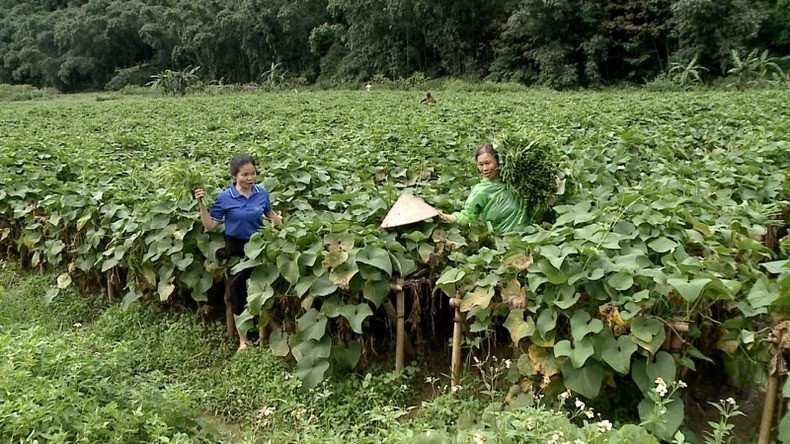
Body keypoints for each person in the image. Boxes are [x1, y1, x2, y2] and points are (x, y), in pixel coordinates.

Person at [194, 153, 282, 350]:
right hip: (236, 248)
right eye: (245, 175)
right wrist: (201, 204)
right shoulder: (225, 198)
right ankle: (243, 340)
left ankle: (265, 330)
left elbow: (271, 215)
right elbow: (210, 226)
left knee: (262, 289)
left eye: (253, 174)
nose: (250, 178)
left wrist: (284, 228)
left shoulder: (261, 193)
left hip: (260, 246)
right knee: (237, 292)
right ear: (234, 176)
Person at [437, 144, 540, 308]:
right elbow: (467, 215)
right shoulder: (481, 190)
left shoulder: (517, 182)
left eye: (488, 163)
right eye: (480, 164)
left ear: (498, 162)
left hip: (528, 238)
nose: (484, 168)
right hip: (503, 244)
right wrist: (450, 217)